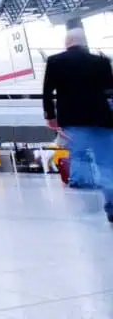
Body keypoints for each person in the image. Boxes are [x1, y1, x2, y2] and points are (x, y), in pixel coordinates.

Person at [42, 27, 113, 222]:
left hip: (73, 122)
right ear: (84, 42)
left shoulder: (56, 61)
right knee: (107, 164)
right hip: (103, 121)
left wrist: (51, 117)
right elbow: (110, 93)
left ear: (67, 41)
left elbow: (48, 92)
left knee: (79, 158)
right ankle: (111, 204)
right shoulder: (101, 61)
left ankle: (87, 198)